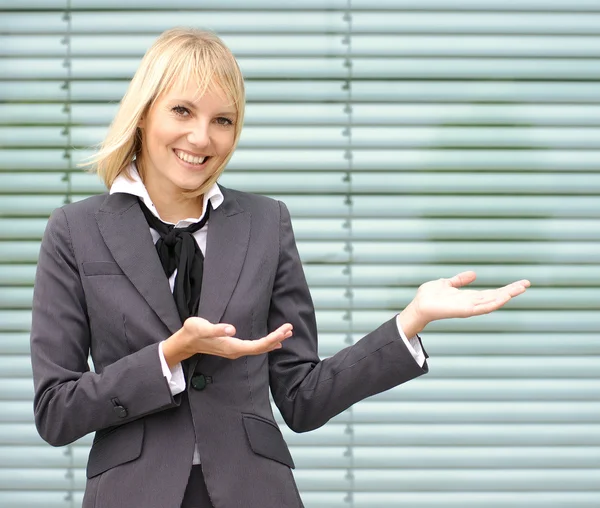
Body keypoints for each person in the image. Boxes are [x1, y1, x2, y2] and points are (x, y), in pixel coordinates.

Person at [30, 28, 530, 508]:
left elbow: (302, 397)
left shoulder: (266, 224)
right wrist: (168, 355)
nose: (201, 138)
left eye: (223, 120)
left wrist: (410, 321)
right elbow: (55, 411)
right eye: (182, 110)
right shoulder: (75, 231)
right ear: (143, 114)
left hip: (256, 492)